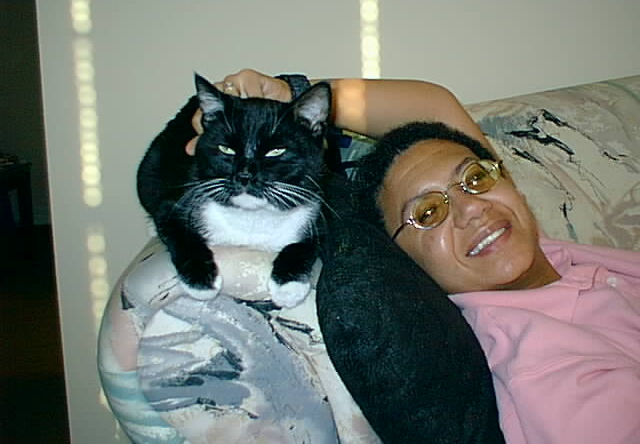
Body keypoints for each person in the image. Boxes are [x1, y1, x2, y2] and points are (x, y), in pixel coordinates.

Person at [192, 69, 640, 443]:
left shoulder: (538, 253)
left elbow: (435, 104)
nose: (472, 209)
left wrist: (290, 94)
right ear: (409, 264)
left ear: (506, 180)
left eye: (475, 179)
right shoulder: (547, 364)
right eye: (428, 213)